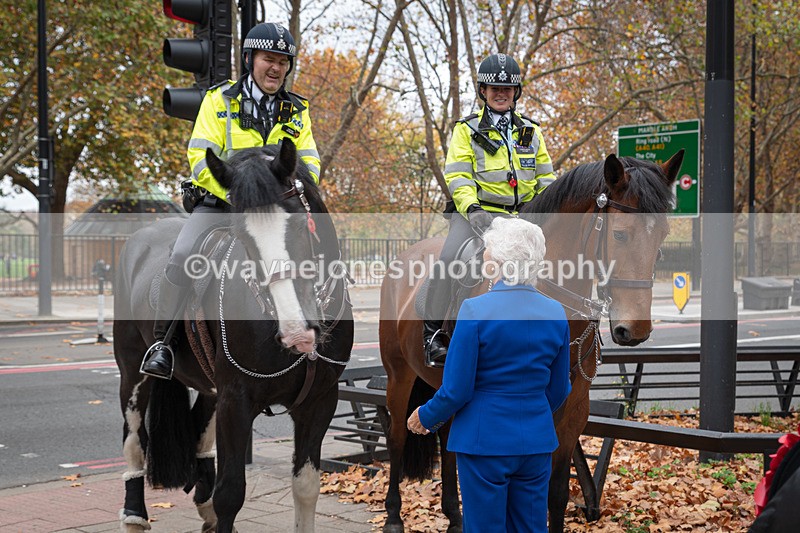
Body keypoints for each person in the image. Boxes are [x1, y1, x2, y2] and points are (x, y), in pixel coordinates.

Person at [141, 22, 321, 379]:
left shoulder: (298, 110)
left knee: (317, 250)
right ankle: (163, 343)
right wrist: (240, 194)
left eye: (283, 62)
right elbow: (200, 159)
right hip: (223, 202)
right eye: (269, 59)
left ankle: (314, 324)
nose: (276, 68)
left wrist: (290, 193)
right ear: (249, 59)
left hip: (276, 209)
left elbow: (310, 161)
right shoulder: (217, 100)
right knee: (182, 254)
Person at [407, 217, 571, 533]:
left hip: (483, 442)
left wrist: (425, 417)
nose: (484, 258)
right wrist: (530, 414)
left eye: (487, 252)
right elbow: (559, 387)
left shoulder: (473, 310)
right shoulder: (555, 312)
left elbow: (456, 389)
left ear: (499, 262)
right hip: (535, 442)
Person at [423, 52, 557, 367]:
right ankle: (432, 335)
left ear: (516, 93)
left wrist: (546, 208)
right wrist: (472, 208)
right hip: (476, 216)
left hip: (522, 219)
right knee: (448, 260)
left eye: (507, 89)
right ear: (483, 91)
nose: (500, 94)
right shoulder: (466, 130)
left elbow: (545, 179)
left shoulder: (530, 132)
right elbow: (457, 174)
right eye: (493, 88)